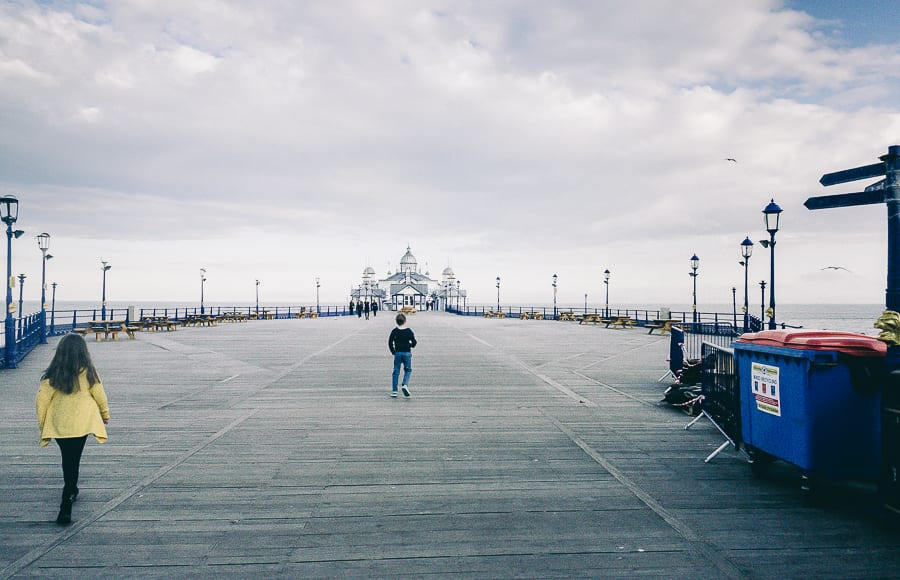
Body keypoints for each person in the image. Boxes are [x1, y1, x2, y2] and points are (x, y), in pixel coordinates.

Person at [36, 333, 110, 525]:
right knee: (73, 460)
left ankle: (71, 489)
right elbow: (99, 394)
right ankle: (67, 501)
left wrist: (42, 423)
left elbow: (42, 401)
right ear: (83, 352)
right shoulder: (89, 372)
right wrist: (105, 414)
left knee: (67, 459)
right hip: (81, 425)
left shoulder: (53, 373)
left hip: (60, 425)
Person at [388, 312, 417, 397]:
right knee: (408, 370)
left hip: (397, 353)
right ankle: (405, 384)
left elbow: (390, 342)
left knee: (396, 371)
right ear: (405, 321)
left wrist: (393, 351)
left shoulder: (394, 331)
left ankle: (394, 391)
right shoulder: (408, 331)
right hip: (407, 353)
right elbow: (414, 342)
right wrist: (410, 345)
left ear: (396, 321)